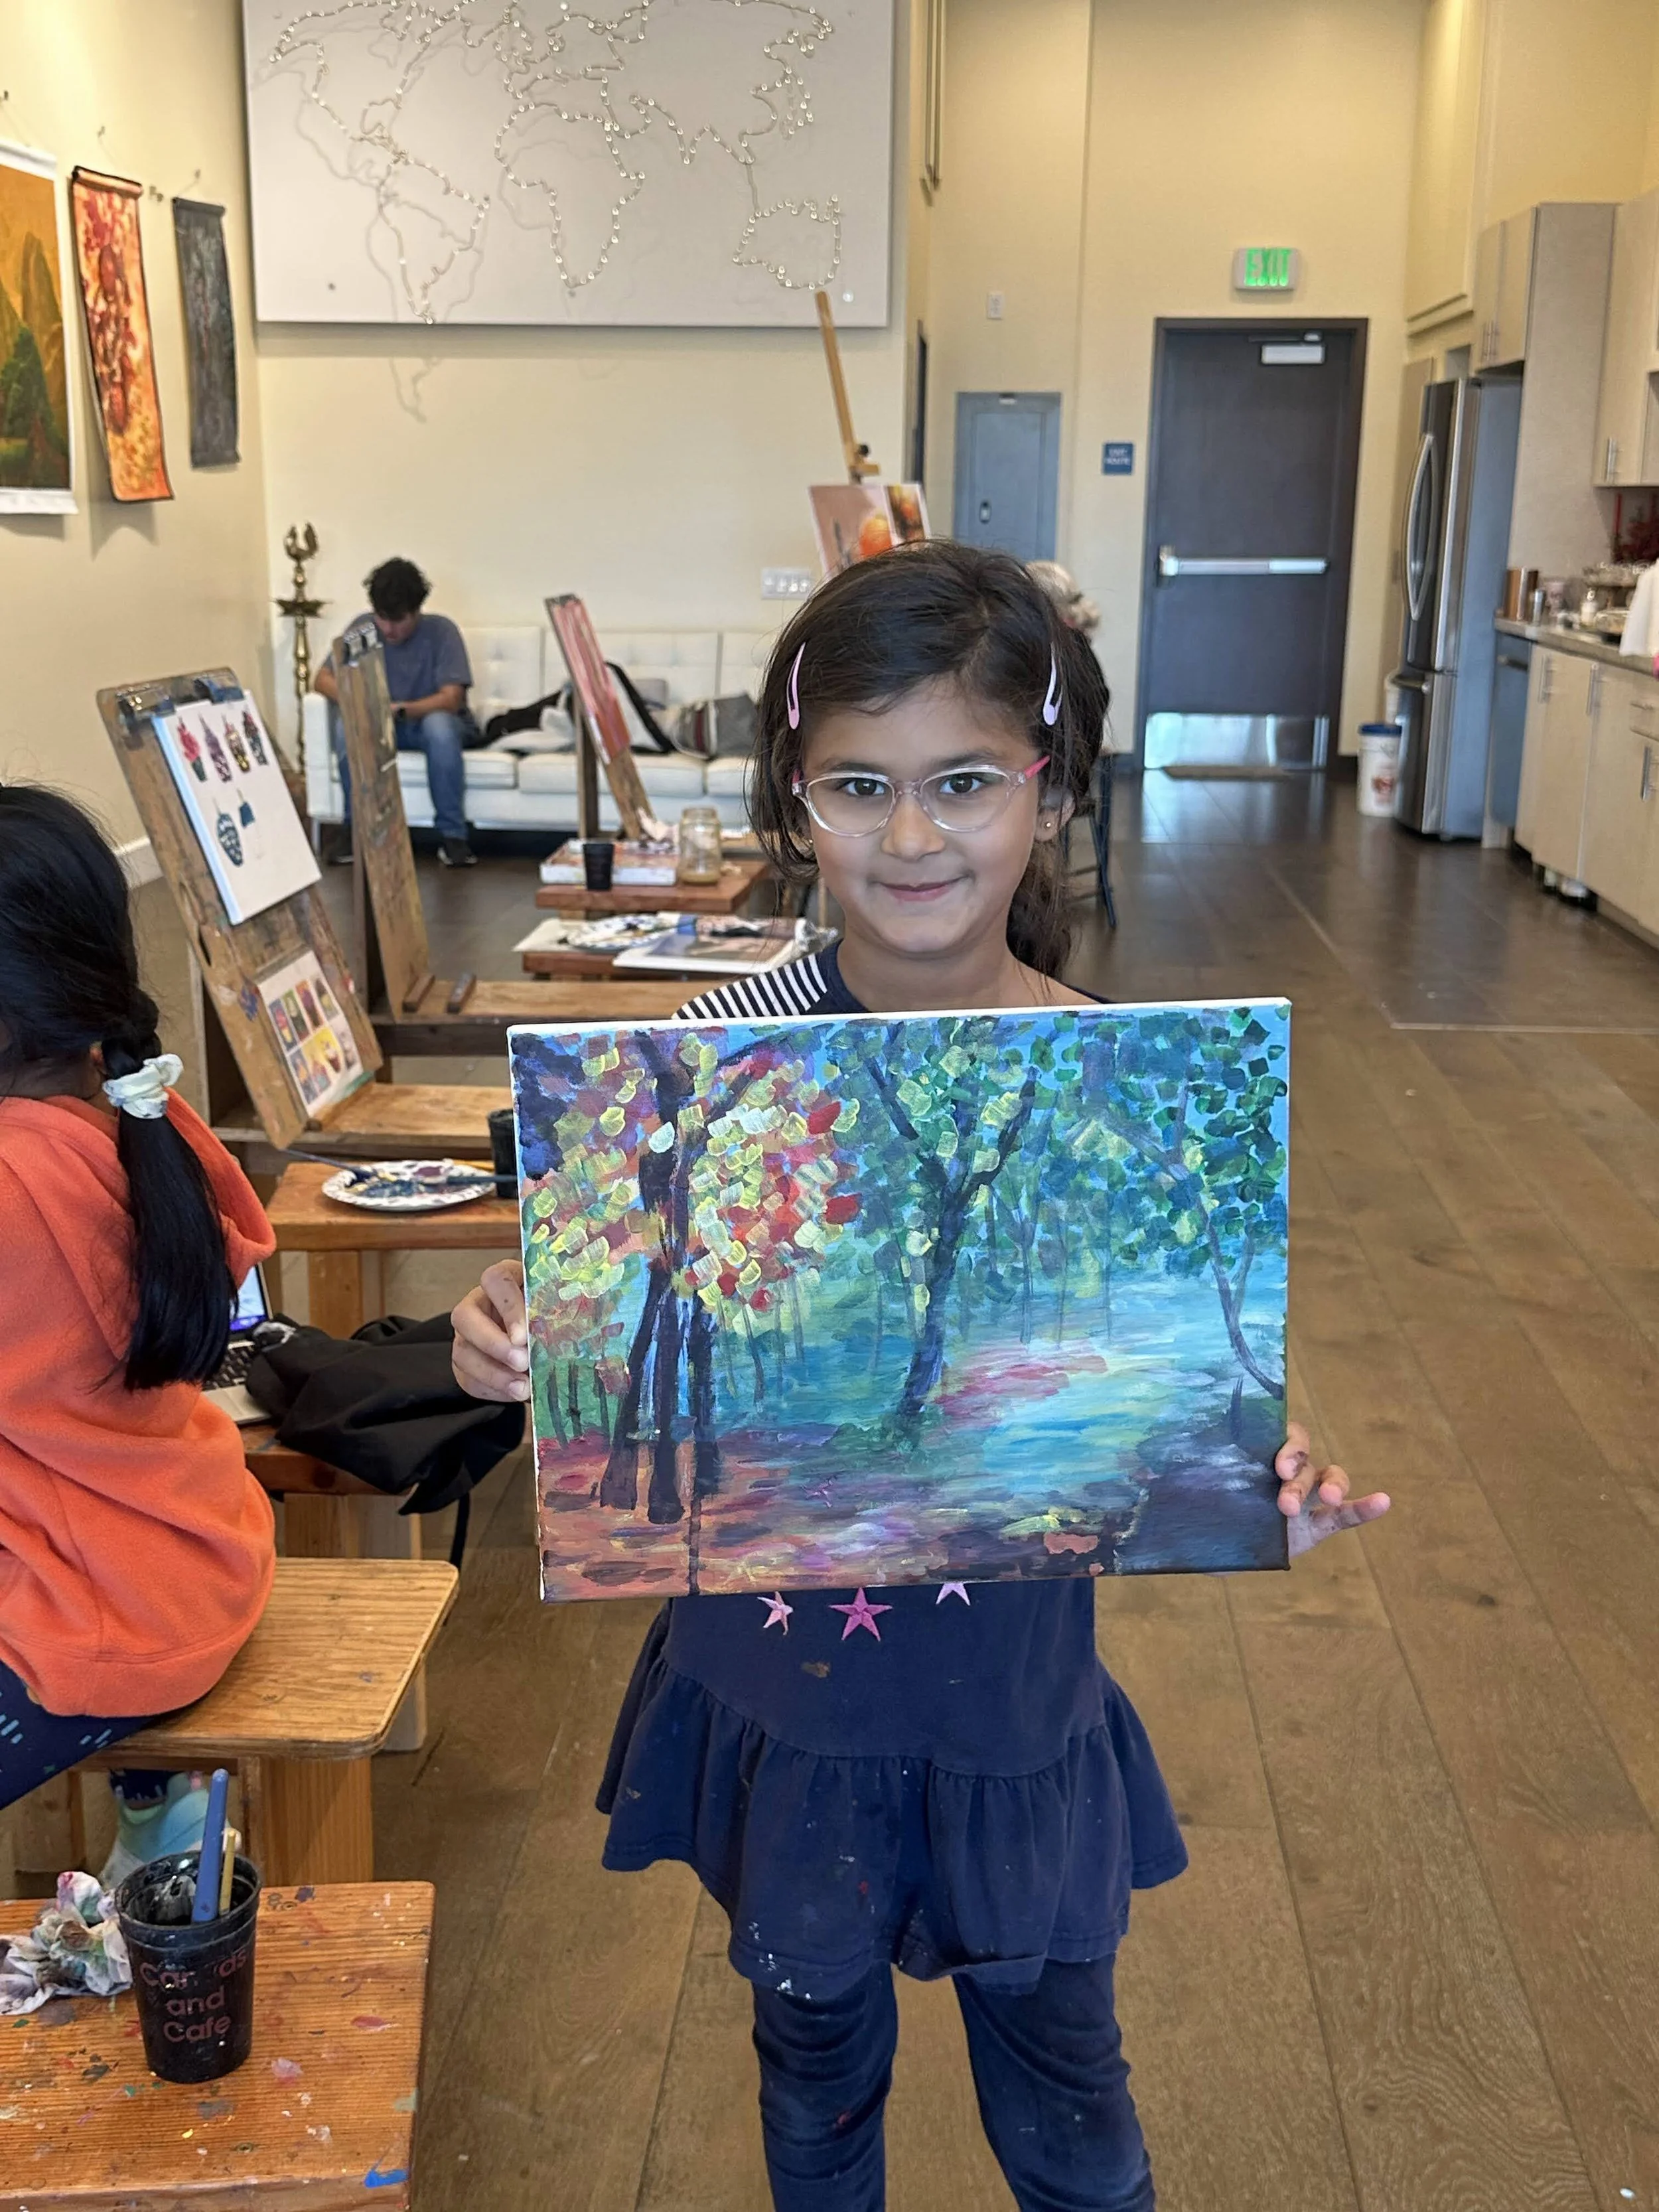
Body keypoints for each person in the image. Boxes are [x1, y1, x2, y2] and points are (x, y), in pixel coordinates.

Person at [450, 544, 1390, 2211]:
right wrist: (512, 1324)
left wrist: (1261, 1486)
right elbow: (580, 1284)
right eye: (857, 787)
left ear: (1050, 786)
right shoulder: (708, 1059)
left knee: (1067, 2091)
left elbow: (1177, 1398)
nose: (909, 836)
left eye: (963, 782)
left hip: (1009, 1710)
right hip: (777, 1696)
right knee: (811, 2067)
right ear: (796, 800)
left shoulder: (1119, 1079)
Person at [0, 786, 277, 1870]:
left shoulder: (16, 1179)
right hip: (199, 1549)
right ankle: (157, 1819)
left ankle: (159, 1819)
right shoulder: (144, 1109)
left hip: (98, 1612)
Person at [315, 555, 480, 868]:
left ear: (417, 610)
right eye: (382, 618)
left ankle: (453, 836)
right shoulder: (364, 628)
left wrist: (400, 710)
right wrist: (360, 704)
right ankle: (356, 830)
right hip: (382, 723)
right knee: (344, 727)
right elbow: (322, 679)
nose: (389, 629)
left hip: (427, 723)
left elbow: (451, 698)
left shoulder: (441, 631)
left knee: (440, 728)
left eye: (399, 619)